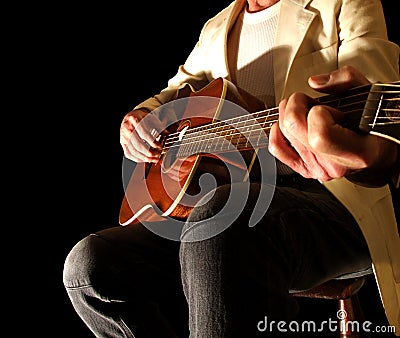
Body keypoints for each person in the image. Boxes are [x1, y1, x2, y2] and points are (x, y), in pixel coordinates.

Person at [63, 0, 400, 337]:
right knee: (90, 266)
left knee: (223, 213)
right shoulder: (216, 26)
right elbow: (176, 90)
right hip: (226, 203)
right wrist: (142, 117)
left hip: (336, 198)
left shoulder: (342, 2)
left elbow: (376, 98)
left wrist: (370, 151)